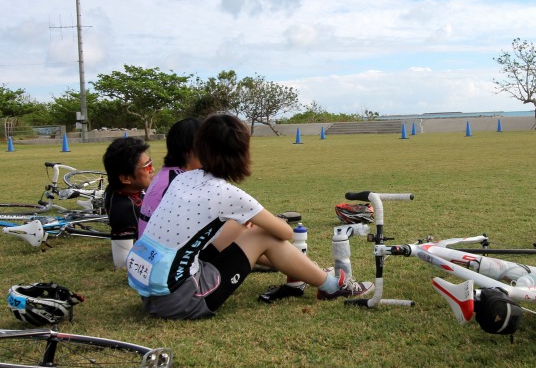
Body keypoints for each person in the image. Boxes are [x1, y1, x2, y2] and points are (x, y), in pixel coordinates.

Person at [126, 114, 373, 319]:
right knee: (263, 233)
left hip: (151, 293)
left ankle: (307, 273)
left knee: (240, 225)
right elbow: (285, 232)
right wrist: (260, 221)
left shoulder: (181, 179)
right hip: (181, 301)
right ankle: (332, 287)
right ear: (241, 153)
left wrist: (243, 219)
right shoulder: (226, 192)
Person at [138, 117, 202, 237]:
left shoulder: (166, 174)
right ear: (190, 150)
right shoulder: (182, 182)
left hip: (148, 250)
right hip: (164, 253)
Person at [102, 137, 156, 268]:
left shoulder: (126, 190)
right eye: (147, 167)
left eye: (151, 163)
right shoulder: (123, 209)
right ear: (126, 178)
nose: (153, 169)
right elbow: (121, 261)